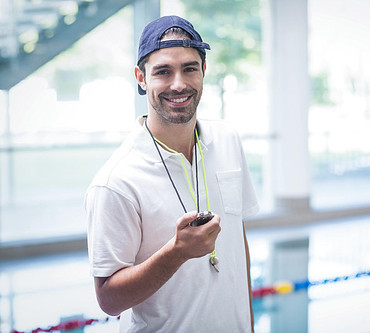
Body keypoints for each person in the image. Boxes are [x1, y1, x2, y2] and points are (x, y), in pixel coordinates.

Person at [85, 15, 259, 332]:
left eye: (189, 68)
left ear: (204, 71)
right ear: (141, 77)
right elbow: (109, 300)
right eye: (163, 72)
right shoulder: (116, 182)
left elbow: (237, 239)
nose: (178, 83)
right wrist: (176, 253)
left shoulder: (228, 140)